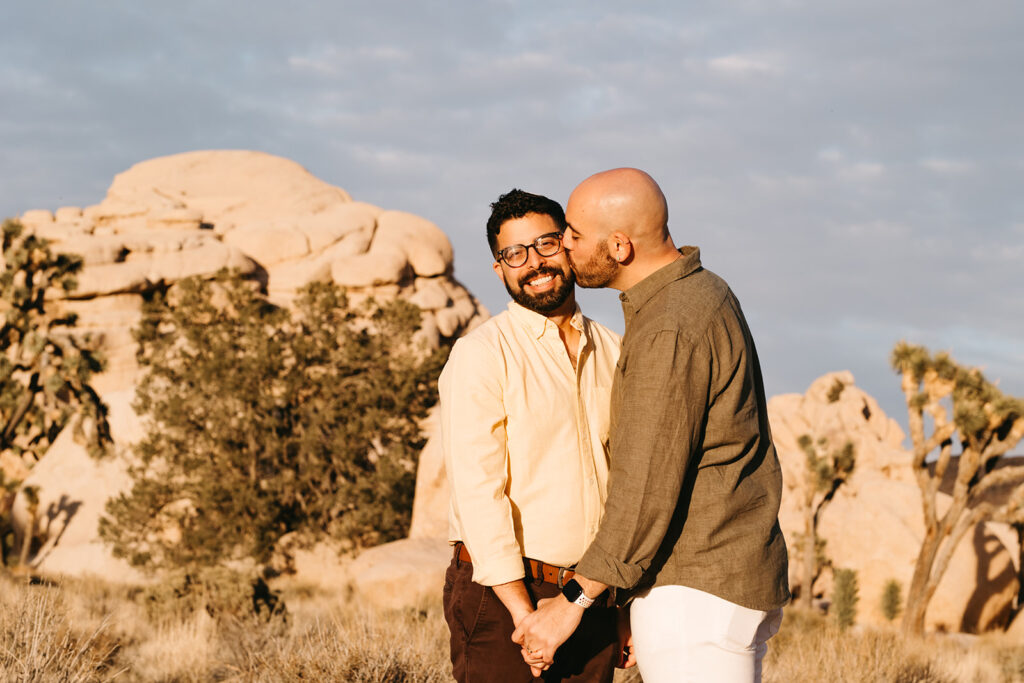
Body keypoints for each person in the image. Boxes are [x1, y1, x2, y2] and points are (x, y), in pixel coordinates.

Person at [512, 169, 789, 682]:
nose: (562, 248)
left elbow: (644, 489)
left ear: (619, 246)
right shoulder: (704, 292)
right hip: (719, 584)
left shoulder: (669, 326)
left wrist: (572, 601)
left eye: (574, 235)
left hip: (695, 595)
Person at [440, 189, 629, 682]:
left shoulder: (616, 352)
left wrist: (624, 606)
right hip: (504, 597)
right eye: (515, 254)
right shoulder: (481, 354)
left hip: (592, 598)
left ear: (569, 244)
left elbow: (629, 487)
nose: (534, 263)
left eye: (546, 244)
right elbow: (480, 492)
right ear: (499, 268)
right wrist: (528, 618)